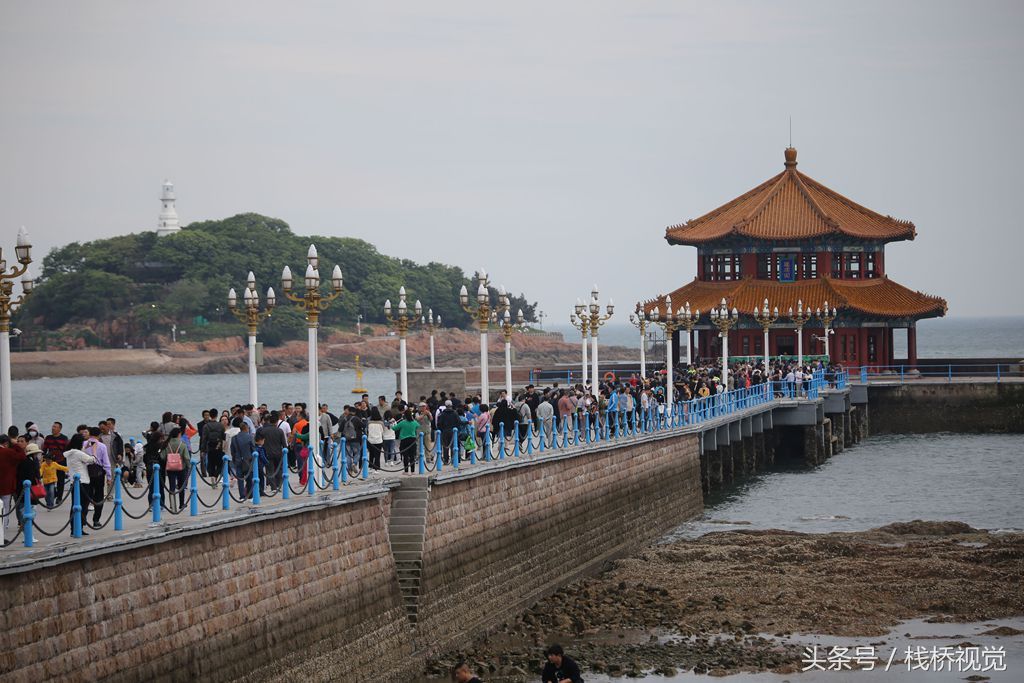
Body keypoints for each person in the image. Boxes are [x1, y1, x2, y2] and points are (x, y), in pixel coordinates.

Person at [63, 434, 96, 535]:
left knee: (75, 505)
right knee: (83, 506)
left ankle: (74, 528)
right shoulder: (78, 453)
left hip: (74, 482)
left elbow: (80, 455)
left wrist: (84, 448)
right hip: (83, 481)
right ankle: (79, 527)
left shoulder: (70, 453)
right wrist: (94, 451)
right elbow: (91, 460)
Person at [0, 435, 27, 531]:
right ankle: (1, 534)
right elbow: (22, 456)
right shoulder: (8, 452)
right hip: (6, 485)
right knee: (5, 510)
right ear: (6, 443)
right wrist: (16, 445)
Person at [161, 427, 188, 511]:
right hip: (181, 467)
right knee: (181, 486)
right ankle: (181, 504)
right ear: (179, 434)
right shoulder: (182, 444)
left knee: (171, 486)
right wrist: (189, 466)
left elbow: (162, 456)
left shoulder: (166, 444)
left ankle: (172, 505)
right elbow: (186, 457)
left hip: (170, 468)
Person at [230, 419, 255, 500]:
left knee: (240, 480)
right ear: (246, 428)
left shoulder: (234, 438)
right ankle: (250, 495)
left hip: (238, 461)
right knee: (249, 479)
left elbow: (232, 450)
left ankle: (242, 496)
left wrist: (234, 459)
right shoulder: (250, 437)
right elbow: (253, 449)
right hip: (248, 461)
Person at [394, 409, 420, 474]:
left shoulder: (402, 422)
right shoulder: (414, 422)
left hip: (404, 440)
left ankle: (406, 471)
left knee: (405, 456)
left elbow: (394, 428)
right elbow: (418, 426)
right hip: (412, 440)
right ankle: (413, 471)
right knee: (412, 456)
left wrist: (393, 423)